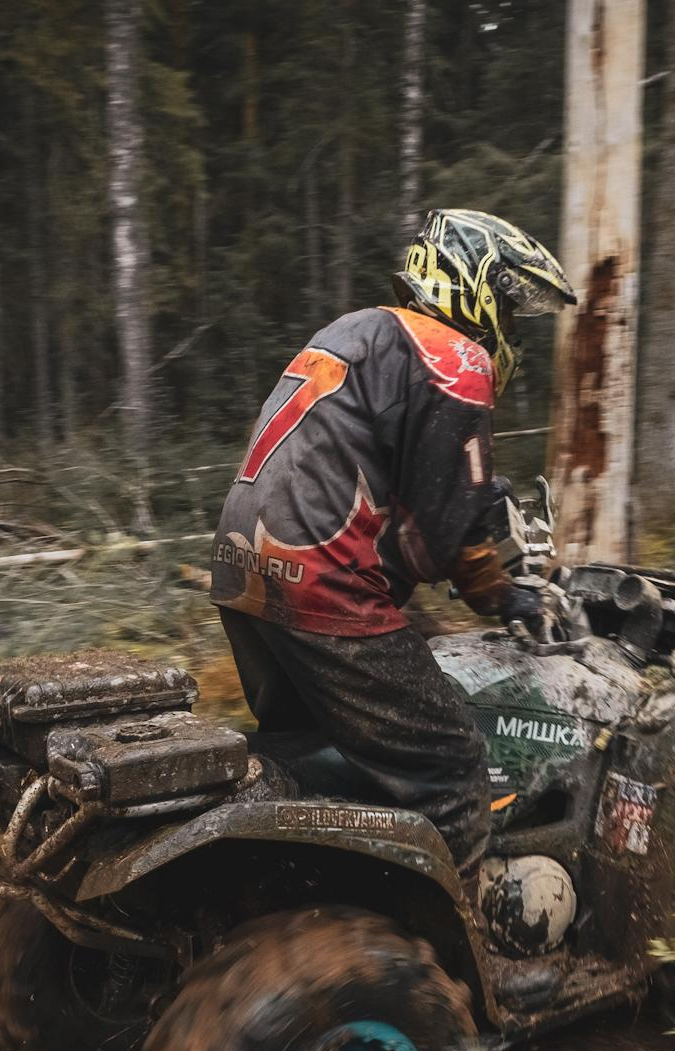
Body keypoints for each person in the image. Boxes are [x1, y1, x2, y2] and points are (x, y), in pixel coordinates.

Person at [209, 208, 576, 887]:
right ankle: (453, 962)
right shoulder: (454, 357)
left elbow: (394, 478)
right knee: (453, 772)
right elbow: (447, 531)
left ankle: (307, 902)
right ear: (478, 287)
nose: (512, 328)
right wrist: (507, 594)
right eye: (511, 306)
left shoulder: (358, 330)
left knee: (321, 758)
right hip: (323, 582)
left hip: (244, 568)